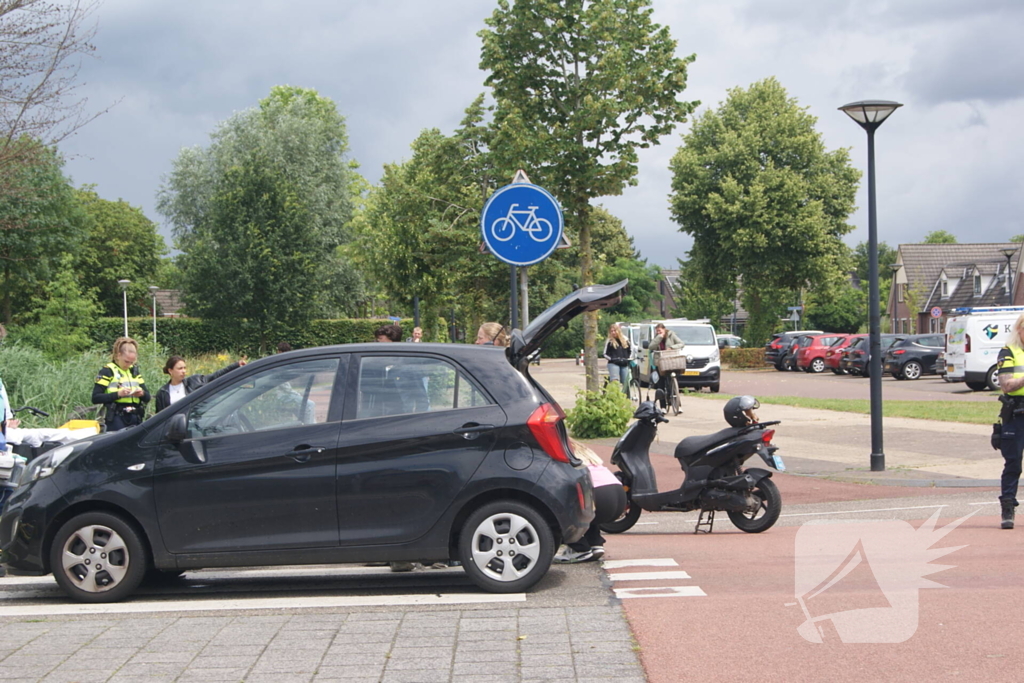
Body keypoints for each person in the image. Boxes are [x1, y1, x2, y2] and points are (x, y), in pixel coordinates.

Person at [554, 439, 626, 563]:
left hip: (599, 494)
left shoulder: (563, 452)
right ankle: (595, 542)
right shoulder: (583, 450)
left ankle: (580, 548)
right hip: (618, 493)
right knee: (587, 506)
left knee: (557, 509)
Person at [996, 313, 1024, 529]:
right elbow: (1006, 385)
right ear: (1019, 329)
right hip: (1017, 413)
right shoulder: (1008, 352)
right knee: (1013, 462)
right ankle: (1008, 507)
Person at [92, 337, 150, 432]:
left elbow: (147, 397)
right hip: (116, 417)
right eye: (126, 361)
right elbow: (96, 398)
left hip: (135, 416)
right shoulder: (107, 371)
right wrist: (118, 394)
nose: (129, 365)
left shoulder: (134, 371)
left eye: (132, 362)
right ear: (118, 355)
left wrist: (141, 393)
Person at [154, 355, 247, 413]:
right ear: (170, 371)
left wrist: (236, 365)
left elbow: (215, 376)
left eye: (184, 368)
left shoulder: (194, 381)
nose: (183, 371)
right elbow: (159, 417)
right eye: (180, 368)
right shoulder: (162, 393)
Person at [603, 323, 632, 395]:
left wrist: (628, 358)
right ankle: (615, 396)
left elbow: (630, 350)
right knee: (615, 380)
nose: (613, 332)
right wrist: (612, 359)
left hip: (624, 362)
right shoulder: (609, 341)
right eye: (611, 331)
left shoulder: (626, 340)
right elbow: (605, 353)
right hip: (614, 362)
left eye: (614, 331)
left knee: (625, 381)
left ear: (618, 331)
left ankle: (625, 397)